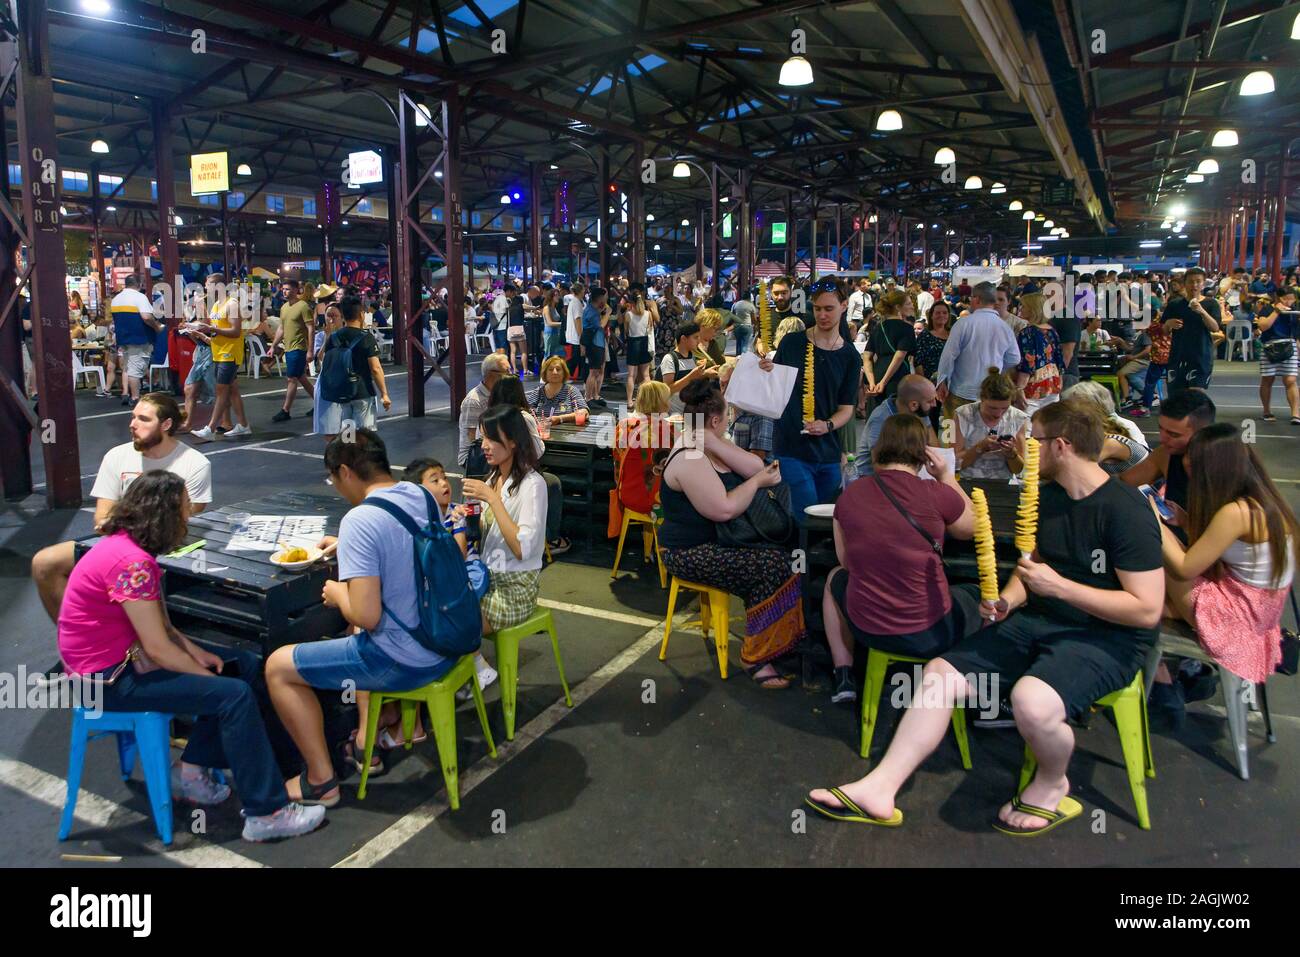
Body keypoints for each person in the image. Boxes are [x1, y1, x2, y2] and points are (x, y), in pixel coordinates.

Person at [807, 398, 1165, 834]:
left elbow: (1146, 609)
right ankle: (879, 787)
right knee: (939, 672)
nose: (1023, 446)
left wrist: (1061, 587)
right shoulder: (1046, 498)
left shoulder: (1126, 510)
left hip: (1107, 636)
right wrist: (1011, 601)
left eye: (1033, 440)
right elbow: (1030, 572)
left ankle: (1054, 783)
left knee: (1030, 702)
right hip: (1041, 619)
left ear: (1061, 446)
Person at [58, 471, 325, 841]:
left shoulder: (126, 547)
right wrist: (209, 678)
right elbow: (157, 648)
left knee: (245, 666)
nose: (188, 519)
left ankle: (193, 767)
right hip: (108, 681)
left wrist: (199, 654)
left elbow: (163, 628)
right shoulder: (132, 564)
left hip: (119, 661)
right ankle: (267, 812)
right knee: (233, 695)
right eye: (184, 511)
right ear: (165, 515)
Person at [266, 430, 464, 806]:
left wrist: (339, 593)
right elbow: (405, 548)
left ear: (345, 471)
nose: (337, 487)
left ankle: (321, 782)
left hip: (404, 659)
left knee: (277, 666)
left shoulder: (359, 520)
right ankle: (371, 734)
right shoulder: (420, 495)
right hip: (445, 640)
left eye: (333, 478)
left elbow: (368, 616)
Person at [658, 378, 805, 688]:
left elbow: (756, 466)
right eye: (727, 416)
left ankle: (781, 641)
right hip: (689, 552)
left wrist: (715, 442)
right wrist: (756, 484)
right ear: (714, 420)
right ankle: (757, 657)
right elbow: (723, 509)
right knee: (772, 566)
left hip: (723, 540)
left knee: (793, 554)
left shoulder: (710, 444)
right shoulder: (689, 455)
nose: (729, 420)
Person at [824, 414, 979, 703]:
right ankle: (984, 701)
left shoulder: (849, 495)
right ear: (923, 453)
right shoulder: (935, 492)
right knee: (980, 596)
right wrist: (946, 477)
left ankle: (843, 674)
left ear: (880, 447)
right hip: (930, 632)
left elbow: (846, 563)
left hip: (868, 628)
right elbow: (972, 527)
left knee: (834, 577)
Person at [30, 392, 213, 626]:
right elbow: (102, 519)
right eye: (133, 416)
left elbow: (180, 523)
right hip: (119, 541)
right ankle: (78, 634)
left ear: (166, 424)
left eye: (144, 419)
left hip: (167, 545)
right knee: (44, 563)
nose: (133, 424)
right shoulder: (117, 456)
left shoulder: (195, 463)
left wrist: (123, 522)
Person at [1154, 423, 1297, 684]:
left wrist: (1151, 519)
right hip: (1258, 612)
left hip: (1236, 620)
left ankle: (1164, 681)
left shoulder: (1236, 513)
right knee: (1154, 596)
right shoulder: (1260, 499)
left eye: (1193, 471)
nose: (1190, 476)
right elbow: (1234, 550)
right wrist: (1185, 522)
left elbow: (1184, 568)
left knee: (1157, 558)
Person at [759, 277, 862, 519]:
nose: (822, 315)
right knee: (806, 518)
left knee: (825, 521)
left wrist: (826, 425)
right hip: (791, 447)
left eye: (829, 309)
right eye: (817, 309)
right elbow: (775, 390)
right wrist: (765, 372)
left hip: (827, 452)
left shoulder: (850, 356)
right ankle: (799, 557)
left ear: (844, 306)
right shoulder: (792, 343)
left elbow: (846, 408)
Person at [463, 405, 548, 633]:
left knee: (454, 622)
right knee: (438, 607)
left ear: (512, 441)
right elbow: (487, 530)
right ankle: (478, 665)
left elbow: (522, 548)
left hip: (515, 589)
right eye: (483, 437)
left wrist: (492, 499)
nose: (483, 446)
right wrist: (465, 517)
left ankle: (479, 666)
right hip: (487, 577)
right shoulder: (494, 476)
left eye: (491, 438)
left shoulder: (533, 485)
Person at [935, 282, 1020, 420]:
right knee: (982, 435)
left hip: (960, 391)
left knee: (952, 434)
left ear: (977, 299)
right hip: (989, 394)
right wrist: (998, 367)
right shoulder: (1005, 327)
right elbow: (1015, 358)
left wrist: (942, 381)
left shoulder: (963, 323)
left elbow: (948, 355)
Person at [317, 297, 390, 441]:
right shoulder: (366, 337)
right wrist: (384, 394)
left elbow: (322, 357)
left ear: (343, 316)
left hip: (342, 392)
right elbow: (375, 368)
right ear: (361, 314)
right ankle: (361, 460)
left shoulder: (334, 337)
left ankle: (348, 458)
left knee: (348, 434)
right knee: (364, 435)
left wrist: (328, 335)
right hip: (362, 392)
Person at [190, 274, 252, 440]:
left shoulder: (231, 304)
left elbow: (236, 331)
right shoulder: (216, 305)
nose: (205, 287)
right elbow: (216, 329)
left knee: (221, 390)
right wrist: (202, 332)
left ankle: (209, 429)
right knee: (232, 390)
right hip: (219, 351)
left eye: (209, 284)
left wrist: (212, 329)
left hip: (229, 353)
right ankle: (244, 425)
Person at [952, 368, 1029, 481]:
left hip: (1003, 483)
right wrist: (979, 448)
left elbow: (1019, 470)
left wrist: (1011, 454)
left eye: (1004, 408)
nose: (998, 414)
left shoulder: (1018, 418)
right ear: (982, 399)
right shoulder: (962, 415)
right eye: (992, 408)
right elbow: (953, 464)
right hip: (969, 480)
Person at [858, 373, 938, 477]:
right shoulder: (880, 418)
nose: (935, 404)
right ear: (913, 405)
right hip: (872, 478)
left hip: (906, 470)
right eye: (930, 401)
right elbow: (879, 465)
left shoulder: (920, 411)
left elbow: (934, 446)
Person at [614, 380, 673, 516]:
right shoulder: (666, 429)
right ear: (661, 402)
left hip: (626, 495)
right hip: (657, 501)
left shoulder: (623, 425)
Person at [1164, 267, 1221, 393]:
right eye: (1190, 281)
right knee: (1176, 396)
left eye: (1198, 281)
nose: (1194, 285)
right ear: (1184, 283)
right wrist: (1168, 324)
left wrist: (1202, 311)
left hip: (1201, 355)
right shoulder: (1174, 304)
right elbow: (1164, 331)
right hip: (1178, 355)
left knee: (1196, 395)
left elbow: (1215, 328)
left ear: (1203, 283)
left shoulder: (1211, 304)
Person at [109, 275, 162, 407]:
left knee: (128, 367)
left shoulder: (116, 299)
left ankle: (127, 394)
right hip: (139, 338)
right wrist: (157, 327)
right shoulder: (139, 297)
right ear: (138, 284)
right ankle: (135, 397)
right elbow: (146, 317)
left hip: (123, 339)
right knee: (135, 370)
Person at [271, 280, 315, 422]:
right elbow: (281, 328)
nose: (285, 291)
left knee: (291, 378)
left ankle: (285, 410)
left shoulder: (303, 307)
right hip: (289, 348)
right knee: (301, 377)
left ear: (297, 290)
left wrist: (310, 350)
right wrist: (273, 346)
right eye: (283, 289)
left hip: (299, 348)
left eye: (288, 289)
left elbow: (311, 328)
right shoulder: (284, 307)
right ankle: (322, 403)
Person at [459, 353, 510, 471]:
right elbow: (473, 438)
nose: (510, 376)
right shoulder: (473, 400)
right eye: (506, 372)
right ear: (492, 374)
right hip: (473, 455)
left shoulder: (499, 393)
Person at [1256, 286, 1299, 424]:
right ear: (1278, 298)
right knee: (1267, 380)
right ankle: (1267, 411)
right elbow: (1263, 326)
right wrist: (1276, 312)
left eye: (1292, 299)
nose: (1289, 302)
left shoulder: (1294, 311)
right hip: (1270, 346)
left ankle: (1295, 414)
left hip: (1289, 345)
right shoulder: (1268, 309)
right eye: (1286, 299)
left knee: (1291, 380)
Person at [864, 290, 917, 403]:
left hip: (878, 373)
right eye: (908, 303)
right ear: (898, 307)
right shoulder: (906, 328)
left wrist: (872, 382)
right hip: (896, 377)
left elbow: (867, 356)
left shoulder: (877, 327)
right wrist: (883, 382)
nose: (912, 306)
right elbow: (899, 356)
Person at [660, 321, 716, 414]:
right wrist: (691, 376)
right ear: (683, 339)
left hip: (693, 411)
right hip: (675, 414)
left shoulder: (692, 357)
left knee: (699, 428)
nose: (698, 341)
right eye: (695, 337)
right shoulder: (669, 359)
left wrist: (705, 373)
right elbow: (667, 390)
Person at [621, 283, 656, 406]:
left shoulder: (628, 315)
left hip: (633, 343)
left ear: (631, 302)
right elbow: (650, 328)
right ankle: (648, 400)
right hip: (644, 343)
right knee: (646, 375)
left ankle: (630, 401)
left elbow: (625, 331)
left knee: (631, 375)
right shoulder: (648, 314)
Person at [528, 355, 588, 424]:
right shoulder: (538, 392)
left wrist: (560, 419)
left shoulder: (571, 391)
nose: (555, 372)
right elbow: (527, 412)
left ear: (564, 373)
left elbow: (584, 412)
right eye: (550, 369)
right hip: (543, 431)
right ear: (545, 373)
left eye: (558, 369)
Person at [581, 286, 610, 403]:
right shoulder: (592, 312)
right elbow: (601, 325)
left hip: (596, 343)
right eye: (604, 297)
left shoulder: (590, 308)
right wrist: (607, 314)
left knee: (595, 371)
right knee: (593, 372)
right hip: (595, 344)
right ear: (599, 298)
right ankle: (588, 397)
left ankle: (593, 396)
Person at [541, 286, 566, 360]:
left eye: (558, 295)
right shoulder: (546, 308)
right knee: (548, 356)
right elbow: (549, 323)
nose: (558, 297)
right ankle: (544, 371)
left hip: (557, 334)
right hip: (550, 334)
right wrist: (563, 324)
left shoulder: (554, 307)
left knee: (559, 355)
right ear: (551, 297)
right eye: (556, 295)